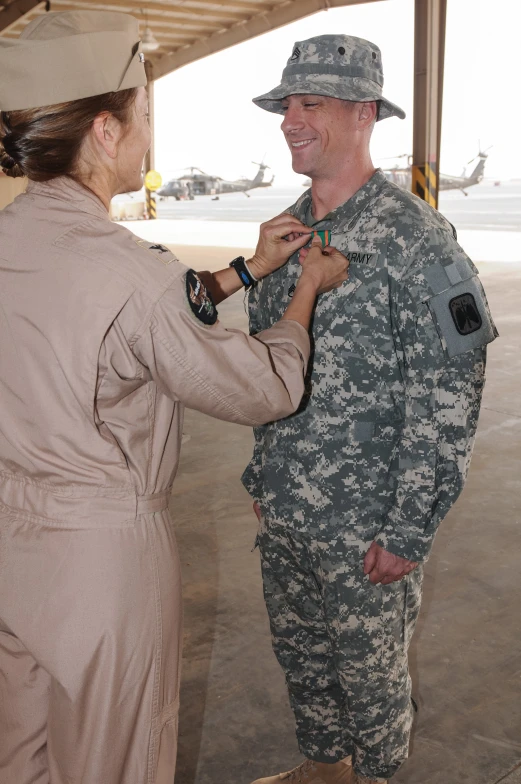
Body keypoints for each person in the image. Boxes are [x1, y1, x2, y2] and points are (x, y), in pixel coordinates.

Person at [0, 12, 350, 784]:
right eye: (145, 114)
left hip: (12, 546)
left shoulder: (18, 240)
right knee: (116, 761)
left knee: (20, 755)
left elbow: (129, 325)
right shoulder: (131, 271)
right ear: (104, 130)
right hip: (100, 563)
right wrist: (303, 300)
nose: (150, 136)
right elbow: (264, 388)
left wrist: (245, 270)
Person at [242, 34, 498, 784]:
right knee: (302, 658)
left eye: (310, 103)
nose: (290, 119)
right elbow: (266, 367)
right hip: (286, 505)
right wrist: (265, 479)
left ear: (361, 114)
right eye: (286, 104)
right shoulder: (281, 235)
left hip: (367, 522)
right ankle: (323, 769)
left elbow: (448, 398)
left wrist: (407, 528)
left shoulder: (418, 239)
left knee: (371, 678)